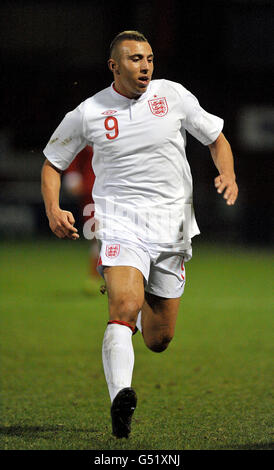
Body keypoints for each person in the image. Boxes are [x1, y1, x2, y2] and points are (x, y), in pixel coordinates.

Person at [41, 30, 238, 439]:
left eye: (148, 58)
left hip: (173, 225)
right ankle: (120, 398)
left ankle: (144, 301)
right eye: (134, 59)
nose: (145, 65)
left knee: (159, 339)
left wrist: (228, 173)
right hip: (118, 221)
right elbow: (52, 161)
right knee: (124, 306)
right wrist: (53, 207)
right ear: (114, 66)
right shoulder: (89, 111)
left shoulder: (174, 96)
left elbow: (216, 138)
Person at [62, 145, 101, 294]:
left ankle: (99, 278)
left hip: (120, 190)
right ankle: (96, 277)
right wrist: (73, 177)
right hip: (91, 191)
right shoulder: (88, 128)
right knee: (97, 235)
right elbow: (74, 152)